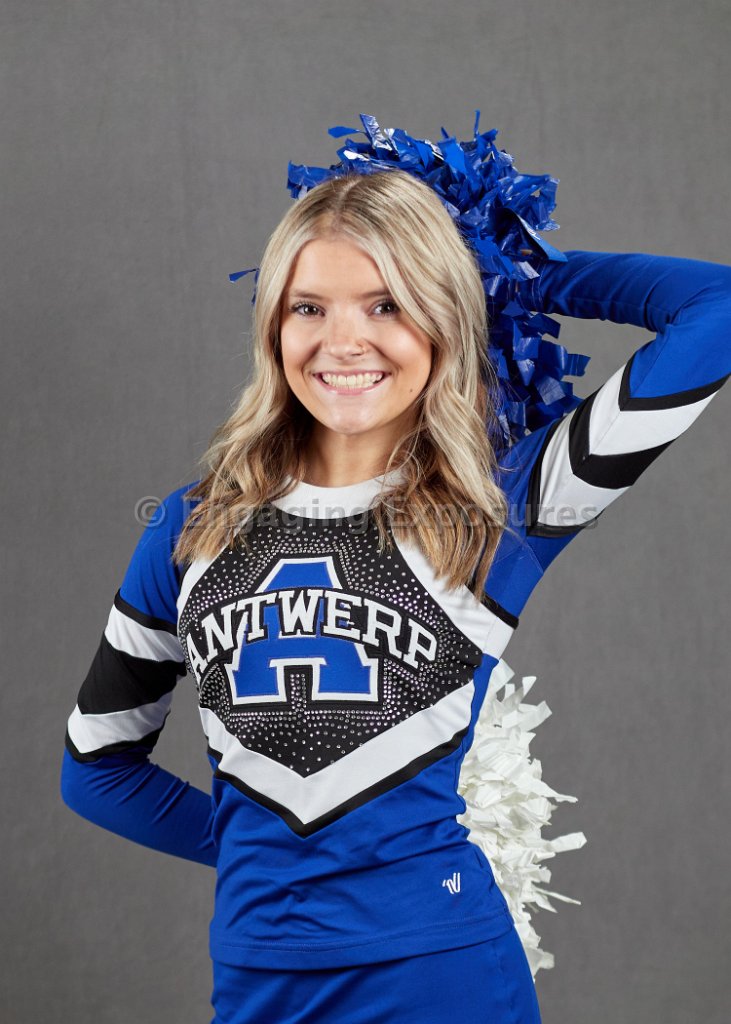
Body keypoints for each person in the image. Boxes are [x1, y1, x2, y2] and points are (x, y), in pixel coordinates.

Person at [60, 122, 730, 1024]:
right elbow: (97, 768)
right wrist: (265, 856)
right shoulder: (190, 525)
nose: (343, 340)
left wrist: (508, 271)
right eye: (308, 307)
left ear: (442, 314)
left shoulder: (509, 505)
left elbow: (717, 308)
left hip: (443, 976)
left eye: (387, 303)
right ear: (271, 325)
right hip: (258, 979)